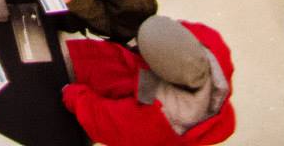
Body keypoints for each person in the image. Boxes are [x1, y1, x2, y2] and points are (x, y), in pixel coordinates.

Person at [63, 15, 235, 146]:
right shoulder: (212, 44)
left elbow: (104, 121)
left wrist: (73, 95)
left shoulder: (161, 121)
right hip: (106, 69)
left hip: (84, 97)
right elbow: (172, 29)